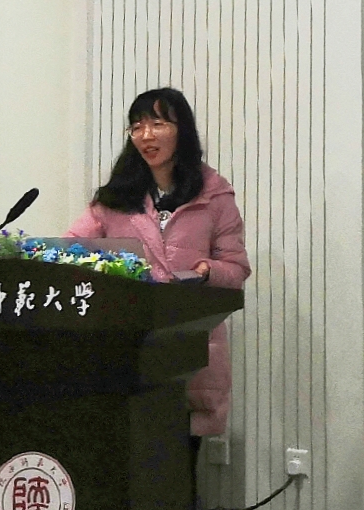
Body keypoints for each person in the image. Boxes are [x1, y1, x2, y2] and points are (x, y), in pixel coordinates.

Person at [66, 87, 251, 473]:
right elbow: (71, 250)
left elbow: (236, 269)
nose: (145, 135)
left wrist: (207, 272)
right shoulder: (115, 197)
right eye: (136, 127)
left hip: (189, 350)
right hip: (126, 350)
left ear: (182, 130)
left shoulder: (214, 195)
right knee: (121, 472)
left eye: (157, 123)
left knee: (175, 475)